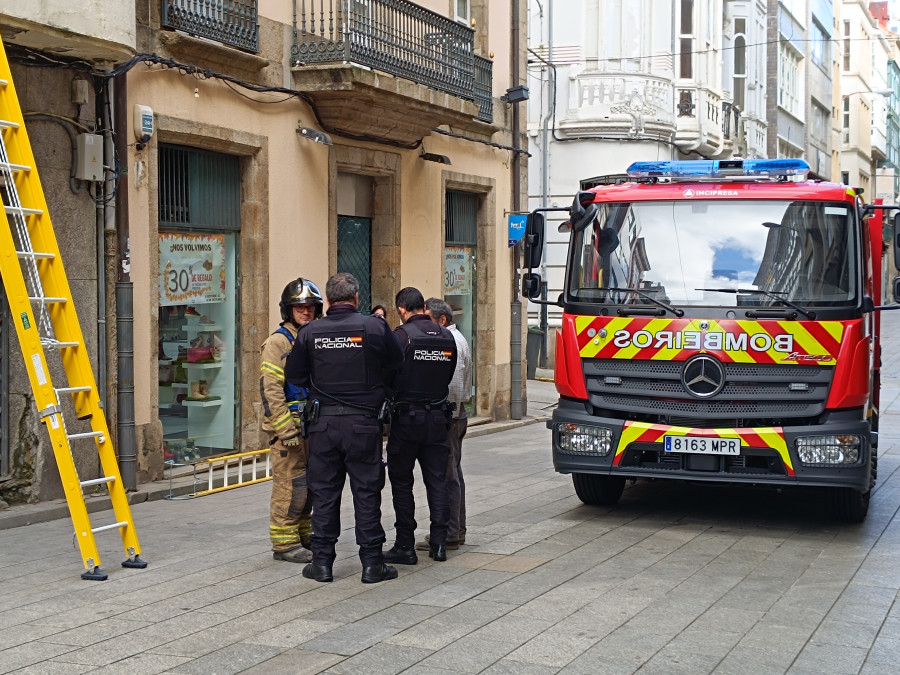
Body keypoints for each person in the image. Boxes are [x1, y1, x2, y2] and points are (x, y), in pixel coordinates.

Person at [285, 272, 404, 584]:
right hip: (363, 423)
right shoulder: (374, 327)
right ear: (356, 299)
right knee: (367, 493)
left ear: (326, 301)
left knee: (324, 494)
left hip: (323, 425)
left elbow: (294, 376)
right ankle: (372, 564)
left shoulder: (310, 331)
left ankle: (322, 564)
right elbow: (397, 362)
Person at [383, 287, 457, 566]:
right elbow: (448, 376)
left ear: (401, 309)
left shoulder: (400, 337)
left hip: (406, 418)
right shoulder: (447, 337)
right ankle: (439, 543)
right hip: (438, 418)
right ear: (424, 306)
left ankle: (405, 544)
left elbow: (388, 375)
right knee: (437, 480)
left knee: (403, 483)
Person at [260, 278, 323, 563]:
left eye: (310, 307)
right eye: (299, 307)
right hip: (289, 430)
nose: (306, 312)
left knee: (308, 485)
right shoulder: (277, 342)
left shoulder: (311, 337)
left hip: (311, 426)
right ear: (288, 309)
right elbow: (270, 389)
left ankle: (303, 535)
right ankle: (284, 543)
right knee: (290, 485)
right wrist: (285, 428)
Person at [416, 298, 472, 553]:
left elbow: (455, 386)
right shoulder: (455, 339)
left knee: (448, 474)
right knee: (454, 472)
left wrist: (443, 411)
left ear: (442, 320)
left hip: (450, 416)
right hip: (456, 415)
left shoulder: (451, 342)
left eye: (428, 319)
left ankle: (450, 533)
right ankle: (456, 530)